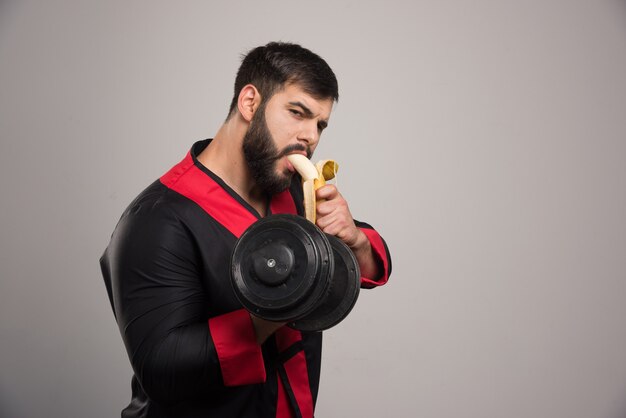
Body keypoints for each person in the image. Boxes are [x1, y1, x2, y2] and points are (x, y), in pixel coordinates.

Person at [100, 42, 392, 418]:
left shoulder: (290, 192)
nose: (311, 137)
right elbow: (163, 370)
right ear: (250, 102)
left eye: (319, 124)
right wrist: (285, 296)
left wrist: (353, 239)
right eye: (297, 112)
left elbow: (364, 264)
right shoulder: (156, 219)